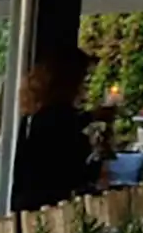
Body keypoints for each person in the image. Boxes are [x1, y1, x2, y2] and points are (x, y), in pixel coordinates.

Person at [10, 45, 115, 212]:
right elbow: (71, 171)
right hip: (50, 207)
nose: (83, 85)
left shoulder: (34, 116)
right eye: (82, 78)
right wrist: (98, 156)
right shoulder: (57, 120)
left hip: (29, 203)